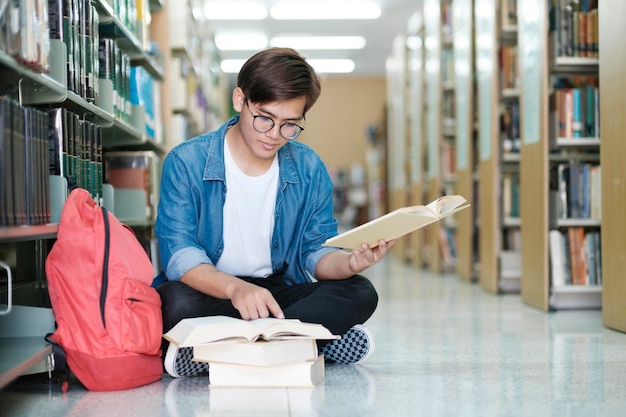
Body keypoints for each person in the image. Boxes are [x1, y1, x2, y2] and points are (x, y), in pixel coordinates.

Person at [153, 47, 396, 377]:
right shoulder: (186, 162)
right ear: (240, 99)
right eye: (265, 118)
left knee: (359, 291)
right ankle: (305, 343)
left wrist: (350, 262)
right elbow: (179, 254)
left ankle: (216, 350)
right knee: (174, 301)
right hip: (212, 290)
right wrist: (235, 289)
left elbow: (315, 250)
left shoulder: (309, 167)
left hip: (276, 292)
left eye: (289, 125)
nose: (273, 135)